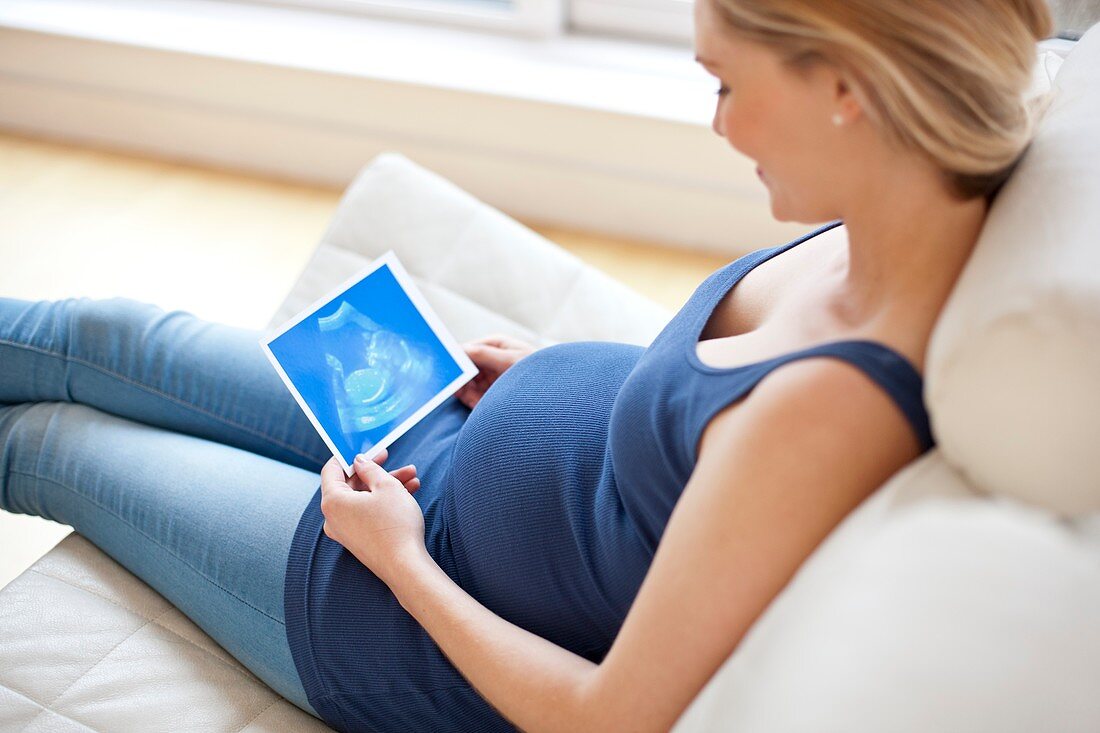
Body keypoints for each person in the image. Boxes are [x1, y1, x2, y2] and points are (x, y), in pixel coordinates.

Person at [0, 0, 1052, 730]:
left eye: (726, 83)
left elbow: (616, 719)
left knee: (49, 442)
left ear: (846, 89)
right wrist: (570, 375)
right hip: (441, 425)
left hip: (395, 601)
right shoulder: (873, 222)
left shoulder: (836, 406)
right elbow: (702, 433)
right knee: (105, 335)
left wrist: (400, 557)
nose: (717, 122)